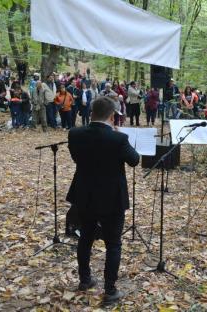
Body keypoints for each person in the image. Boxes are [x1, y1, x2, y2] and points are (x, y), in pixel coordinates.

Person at [66, 96, 140, 304]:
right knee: (113, 244)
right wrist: (118, 135)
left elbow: (76, 158)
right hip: (111, 198)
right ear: (112, 116)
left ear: (91, 113)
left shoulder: (75, 134)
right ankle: (110, 290)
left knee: (85, 238)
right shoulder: (118, 138)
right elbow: (134, 160)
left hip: (84, 194)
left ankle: (85, 279)